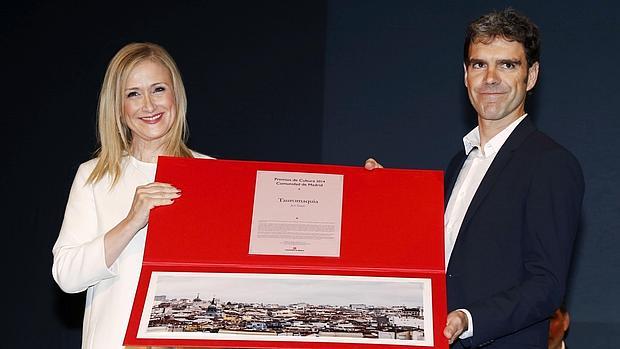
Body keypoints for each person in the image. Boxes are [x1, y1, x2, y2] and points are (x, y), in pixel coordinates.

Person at [367, 8, 583, 348]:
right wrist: (382, 196)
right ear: (465, 75)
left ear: (532, 76)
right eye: (479, 64)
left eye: (507, 65)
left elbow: (546, 285)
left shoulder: (551, 164)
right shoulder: (459, 164)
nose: (491, 77)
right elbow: (439, 257)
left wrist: (469, 318)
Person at [52, 42, 211, 349]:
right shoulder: (95, 176)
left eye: (159, 89)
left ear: (176, 94)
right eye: (133, 94)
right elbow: (67, 275)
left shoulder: (212, 174)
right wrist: (132, 221)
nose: (149, 105)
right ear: (118, 107)